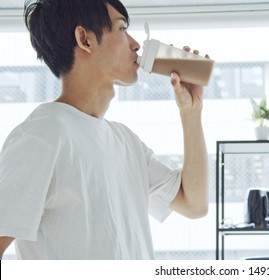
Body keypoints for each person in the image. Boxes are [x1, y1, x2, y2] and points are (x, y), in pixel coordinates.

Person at [0, 0, 208, 259]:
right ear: (84, 39)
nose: (135, 44)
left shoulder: (125, 140)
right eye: (122, 29)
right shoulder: (41, 136)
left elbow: (194, 204)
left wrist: (191, 112)